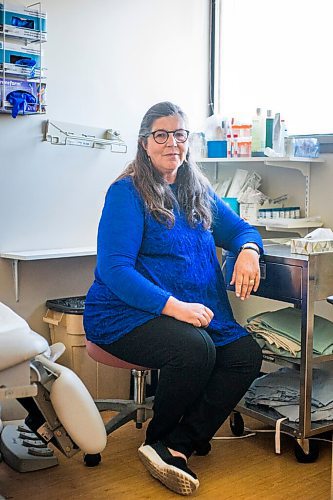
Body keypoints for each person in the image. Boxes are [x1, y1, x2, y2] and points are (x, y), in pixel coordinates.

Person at [83, 101, 263, 496]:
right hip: (123, 314)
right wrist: (174, 306)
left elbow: (240, 230)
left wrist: (249, 250)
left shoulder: (196, 189)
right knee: (195, 349)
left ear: (188, 141)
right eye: (161, 135)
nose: (172, 142)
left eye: (179, 134)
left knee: (245, 354)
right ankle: (157, 439)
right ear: (145, 143)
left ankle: (178, 444)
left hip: (187, 313)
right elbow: (116, 270)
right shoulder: (127, 193)